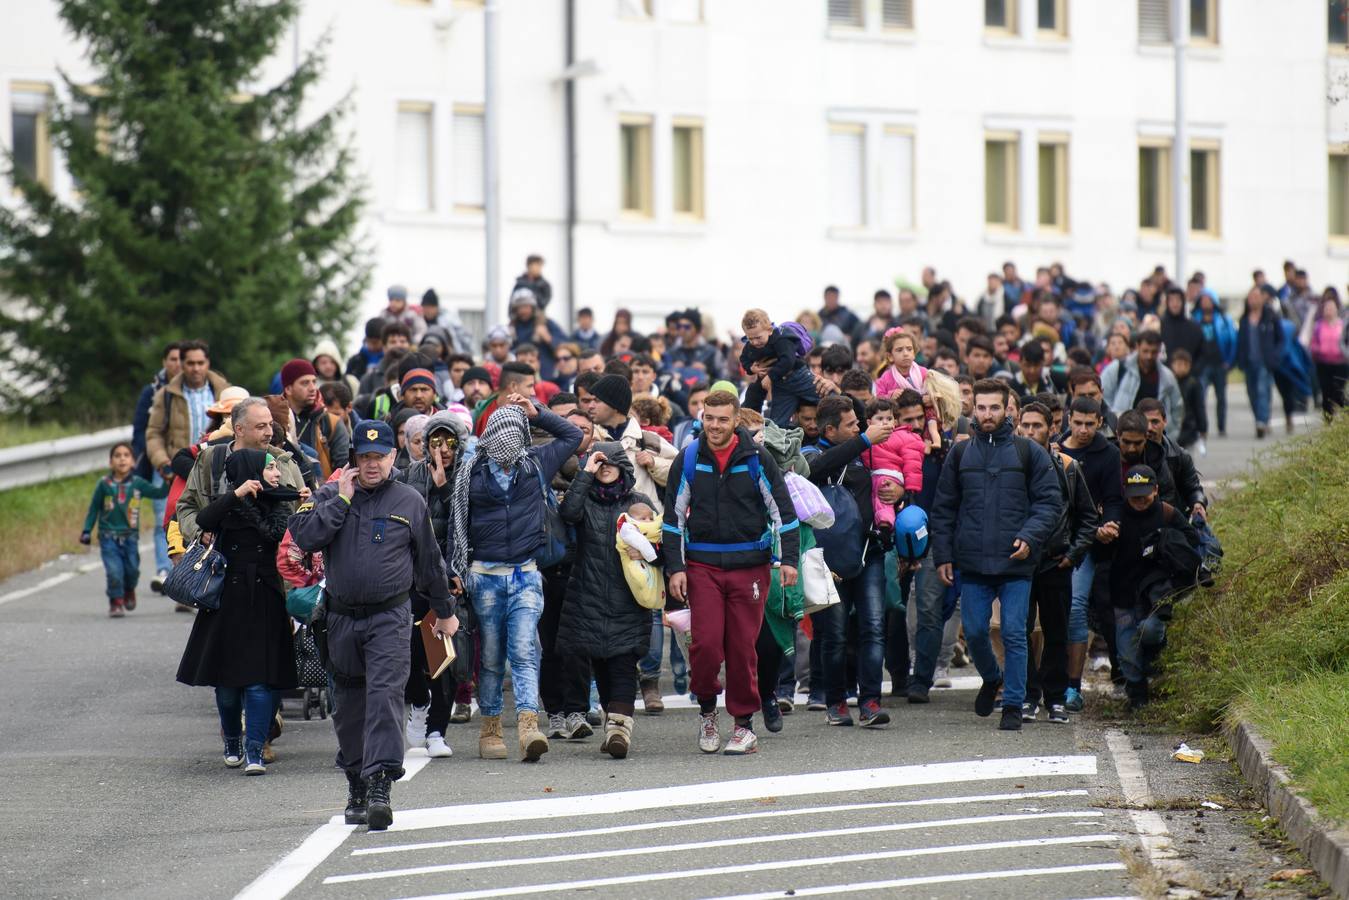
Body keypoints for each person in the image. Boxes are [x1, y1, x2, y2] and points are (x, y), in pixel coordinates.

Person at [289, 420, 455, 830]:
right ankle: (356, 782)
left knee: (384, 696)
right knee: (348, 707)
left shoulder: (409, 500)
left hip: (390, 617)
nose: (372, 464)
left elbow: (430, 562)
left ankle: (380, 784)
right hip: (341, 619)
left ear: (393, 457)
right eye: (364, 457)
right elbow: (304, 537)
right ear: (354, 459)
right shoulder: (331, 494)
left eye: (379, 457)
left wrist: (445, 610)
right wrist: (340, 502)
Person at [664, 389, 800, 755]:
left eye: (723, 419)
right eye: (709, 418)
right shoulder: (689, 458)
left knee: (742, 649)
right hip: (702, 566)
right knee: (706, 645)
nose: (715, 425)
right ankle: (708, 710)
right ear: (701, 417)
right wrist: (675, 569)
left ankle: (743, 725)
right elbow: (673, 521)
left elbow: (783, 514)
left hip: (751, 568)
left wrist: (789, 560)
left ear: (736, 420)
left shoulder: (757, 458)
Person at [446, 399, 583, 761]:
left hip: (525, 575)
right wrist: (454, 571)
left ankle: (527, 725)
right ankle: (490, 726)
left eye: (514, 434)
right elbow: (455, 525)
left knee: (524, 651)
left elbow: (573, 434)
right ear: (489, 436)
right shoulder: (471, 472)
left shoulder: (535, 463)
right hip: (484, 578)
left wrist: (537, 412)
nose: (506, 445)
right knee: (490, 658)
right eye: (499, 434)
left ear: (523, 436)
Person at [929, 379, 1061, 732]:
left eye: (994, 408)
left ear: (1008, 410)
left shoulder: (1028, 452)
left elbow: (1050, 503)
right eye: (981, 407)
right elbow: (943, 508)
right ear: (973, 409)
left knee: (1016, 633)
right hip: (972, 562)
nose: (987, 414)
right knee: (974, 632)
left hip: (1017, 563)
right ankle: (991, 678)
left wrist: (1030, 537)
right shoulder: (960, 453)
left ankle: (1013, 704)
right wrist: (942, 555)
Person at [177, 446, 301, 775]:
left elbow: (292, 531)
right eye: (271, 467)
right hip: (227, 601)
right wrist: (236, 495)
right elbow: (202, 520)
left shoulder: (281, 501)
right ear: (250, 472)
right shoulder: (228, 506)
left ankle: (255, 749)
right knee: (228, 686)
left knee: (261, 681)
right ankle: (232, 738)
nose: (277, 473)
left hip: (266, 597)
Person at [802, 395, 897, 729]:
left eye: (861, 423)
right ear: (830, 429)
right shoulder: (809, 454)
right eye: (852, 425)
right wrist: (864, 440)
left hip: (869, 553)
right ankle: (836, 702)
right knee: (834, 635)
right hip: (830, 561)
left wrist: (898, 493)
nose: (861, 427)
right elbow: (814, 469)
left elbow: (893, 481)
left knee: (872, 628)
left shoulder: (868, 454)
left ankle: (870, 702)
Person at [556, 442, 656, 758]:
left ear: (624, 467)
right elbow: (567, 512)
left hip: (629, 596)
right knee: (599, 663)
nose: (606, 467)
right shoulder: (584, 499)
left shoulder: (638, 502)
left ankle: (618, 731)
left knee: (624, 662)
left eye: (612, 462)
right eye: (599, 463)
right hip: (588, 594)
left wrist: (648, 552)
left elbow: (659, 539)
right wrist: (585, 473)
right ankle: (614, 720)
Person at [1016, 403, 1098, 724]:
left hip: (1055, 561)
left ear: (1052, 428)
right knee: (1018, 631)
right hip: (1020, 563)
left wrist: (1073, 554)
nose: (1031, 432)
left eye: (1038, 426)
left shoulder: (1067, 467)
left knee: (1056, 631)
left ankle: (1055, 697)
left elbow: (1088, 516)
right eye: (1026, 425)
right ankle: (1027, 694)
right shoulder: (1011, 464)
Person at [396, 411, 471, 760]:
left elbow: (466, 526)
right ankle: (419, 703)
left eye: (450, 442)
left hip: (452, 579)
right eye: (435, 442)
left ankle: (438, 730)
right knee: (411, 653)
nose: (443, 449)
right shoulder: (409, 475)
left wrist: (443, 489)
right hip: (413, 578)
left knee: (446, 659)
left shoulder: (467, 477)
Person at [1110, 465, 1200, 709]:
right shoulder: (1116, 516)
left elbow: (1191, 545)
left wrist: (1167, 547)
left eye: (1145, 495)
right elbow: (1100, 557)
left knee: (1151, 630)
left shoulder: (1168, 514)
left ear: (1156, 490)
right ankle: (1137, 694)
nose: (1139, 500)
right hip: (1123, 593)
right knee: (1127, 651)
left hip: (1157, 593)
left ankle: (1154, 658)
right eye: (1134, 495)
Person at [80, 442, 170, 617]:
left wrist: (167, 481)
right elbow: (93, 509)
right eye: (117, 456)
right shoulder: (104, 484)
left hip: (130, 537)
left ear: (133, 462)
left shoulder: (138, 484)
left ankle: (129, 589)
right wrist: (86, 530)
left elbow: (158, 494)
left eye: (126, 455)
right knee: (114, 571)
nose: (122, 459)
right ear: (110, 462)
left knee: (132, 570)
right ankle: (116, 602)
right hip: (108, 537)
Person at [131, 341, 182, 590]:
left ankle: (188, 570)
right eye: (172, 358)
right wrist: (156, 455)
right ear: (164, 362)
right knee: (164, 515)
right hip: (162, 465)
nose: (177, 364)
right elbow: (140, 430)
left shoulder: (201, 390)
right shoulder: (151, 392)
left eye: (181, 359)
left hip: (192, 462)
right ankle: (164, 570)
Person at [145, 340, 230, 485]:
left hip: (216, 469)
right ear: (182, 364)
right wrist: (163, 462)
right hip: (178, 470)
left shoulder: (224, 391)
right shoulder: (166, 394)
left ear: (207, 363)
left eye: (200, 363)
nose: (196, 368)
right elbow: (154, 433)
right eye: (191, 363)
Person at [738, 308, 818, 428]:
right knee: (777, 424)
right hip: (781, 384)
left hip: (798, 376)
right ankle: (750, 428)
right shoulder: (751, 345)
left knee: (827, 400)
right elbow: (744, 359)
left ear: (770, 330)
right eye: (750, 338)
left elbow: (788, 360)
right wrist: (751, 368)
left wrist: (770, 377)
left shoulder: (781, 338)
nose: (754, 342)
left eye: (758, 337)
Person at [1099, 331, 1182, 439]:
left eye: (1154, 352)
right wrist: (1111, 430)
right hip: (1122, 436)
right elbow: (1103, 398)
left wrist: (1172, 435)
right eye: (1145, 351)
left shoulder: (1167, 377)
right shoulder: (1118, 368)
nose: (1149, 356)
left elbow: (1177, 407)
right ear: (1137, 347)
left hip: (1155, 437)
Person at [282, 358, 351, 480]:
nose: (313, 388)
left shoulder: (331, 422)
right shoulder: (276, 420)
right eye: (305, 383)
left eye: (314, 382)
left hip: (325, 494)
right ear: (288, 389)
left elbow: (344, 467)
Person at [861, 397, 924, 531]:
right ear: (869, 422)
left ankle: (885, 522)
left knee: (883, 492)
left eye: (889, 419)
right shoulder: (866, 439)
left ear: (895, 422)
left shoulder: (903, 436)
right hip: (872, 475)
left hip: (889, 475)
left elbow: (912, 463)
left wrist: (909, 489)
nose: (885, 422)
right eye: (880, 418)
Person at [1236, 285, 1284, 439]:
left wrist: (1276, 355)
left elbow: (1281, 338)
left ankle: (1262, 422)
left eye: (1256, 297)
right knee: (1252, 393)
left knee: (1263, 390)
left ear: (1263, 298)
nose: (1253, 300)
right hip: (1249, 362)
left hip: (1265, 361)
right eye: (1251, 297)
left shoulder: (1271, 316)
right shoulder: (1244, 320)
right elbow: (1240, 342)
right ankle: (1260, 418)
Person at [1299, 293, 1349, 419]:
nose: (1329, 311)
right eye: (1327, 308)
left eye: (1331, 308)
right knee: (1326, 392)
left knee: (1338, 393)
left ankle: (1343, 417)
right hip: (1323, 363)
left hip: (1340, 363)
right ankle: (1328, 419)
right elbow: (1312, 342)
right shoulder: (1318, 325)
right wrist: (1318, 350)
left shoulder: (1342, 325)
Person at [508, 289, 568, 381]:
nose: (523, 311)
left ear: (533, 307)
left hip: (547, 376)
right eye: (519, 307)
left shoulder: (546, 323)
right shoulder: (512, 328)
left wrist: (548, 337)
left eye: (526, 306)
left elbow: (566, 346)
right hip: (521, 378)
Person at [1168, 350, 1207, 453]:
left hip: (1188, 429)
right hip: (1171, 429)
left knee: (1186, 458)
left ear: (1189, 366)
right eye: (1178, 364)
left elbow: (1199, 407)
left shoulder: (1194, 384)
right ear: (1172, 365)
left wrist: (1203, 427)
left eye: (1184, 365)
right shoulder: (1169, 383)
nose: (1181, 368)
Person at [345, 318, 386, 383]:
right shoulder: (355, 361)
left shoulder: (391, 360)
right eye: (369, 342)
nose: (372, 346)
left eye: (375, 343)